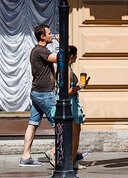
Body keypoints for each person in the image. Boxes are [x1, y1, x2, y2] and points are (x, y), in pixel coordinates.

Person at [44, 45, 89, 168]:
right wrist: (80, 85)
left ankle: (56, 152)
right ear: (71, 56)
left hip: (63, 103)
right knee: (75, 133)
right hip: (70, 104)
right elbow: (67, 91)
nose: (76, 57)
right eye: (75, 54)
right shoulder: (67, 71)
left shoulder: (61, 68)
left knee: (66, 132)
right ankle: (72, 162)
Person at [20, 23, 57, 167]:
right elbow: (57, 58)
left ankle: (26, 156)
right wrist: (62, 43)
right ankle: (59, 154)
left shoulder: (37, 50)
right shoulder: (40, 50)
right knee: (60, 124)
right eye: (49, 33)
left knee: (33, 124)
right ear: (42, 36)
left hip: (37, 92)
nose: (51, 35)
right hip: (44, 93)